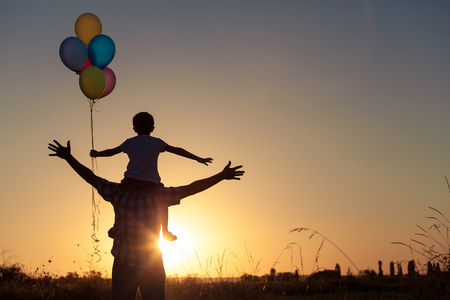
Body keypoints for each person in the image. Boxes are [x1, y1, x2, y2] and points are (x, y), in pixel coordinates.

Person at [48, 140, 244, 300]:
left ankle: (116, 228)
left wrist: (68, 158)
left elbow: (90, 176)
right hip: (152, 265)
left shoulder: (118, 192)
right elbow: (192, 188)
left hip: (124, 264)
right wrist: (221, 175)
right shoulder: (159, 196)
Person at [90, 112, 213, 241]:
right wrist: (197, 158)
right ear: (152, 128)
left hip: (129, 182)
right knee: (163, 201)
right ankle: (165, 231)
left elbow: (111, 152)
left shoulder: (129, 142)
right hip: (150, 185)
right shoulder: (156, 142)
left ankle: (116, 226)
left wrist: (97, 154)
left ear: (134, 129)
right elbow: (177, 150)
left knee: (120, 198)